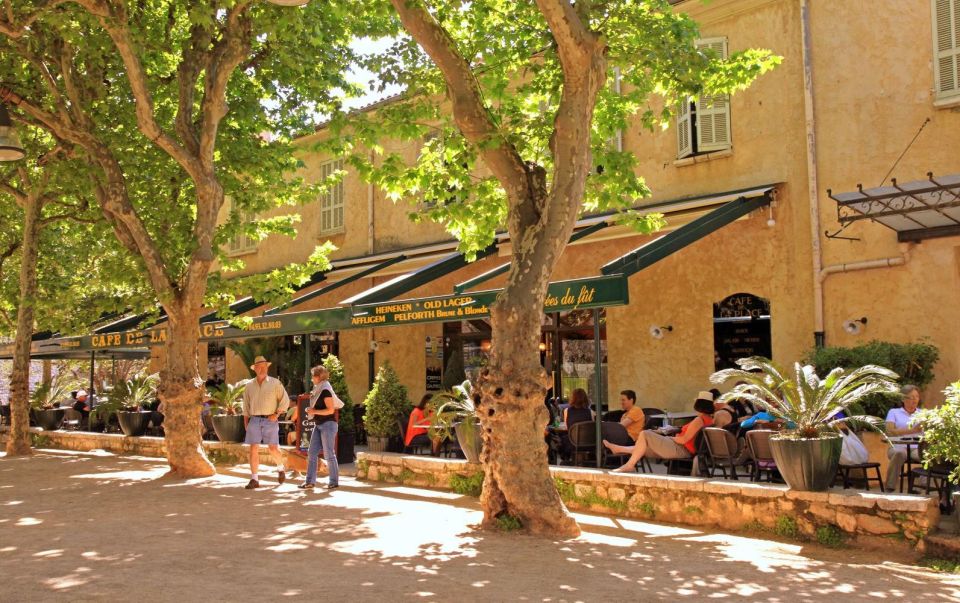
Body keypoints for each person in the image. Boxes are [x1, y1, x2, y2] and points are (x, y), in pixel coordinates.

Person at [602, 391, 715, 474]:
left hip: (681, 448)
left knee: (645, 434)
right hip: (682, 449)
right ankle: (619, 449)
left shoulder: (698, 420)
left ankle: (629, 465)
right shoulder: (709, 420)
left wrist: (670, 438)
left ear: (699, 405)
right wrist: (673, 431)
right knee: (643, 447)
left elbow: (684, 439)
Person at [242, 355, 290, 490]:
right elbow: (245, 405)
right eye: (259, 367)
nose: (262, 368)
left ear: (267, 367)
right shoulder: (249, 386)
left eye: (264, 366)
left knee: (273, 448)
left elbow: (285, 400)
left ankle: (280, 468)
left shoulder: (275, 383)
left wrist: (277, 414)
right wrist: (246, 422)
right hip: (254, 419)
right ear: (255, 369)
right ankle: (254, 479)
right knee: (253, 448)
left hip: (270, 419)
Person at [299, 365, 339, 490]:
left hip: (328, 424)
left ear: (318, 377)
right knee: (311, 453)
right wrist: (314, 412)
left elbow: (330, 410)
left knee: (329, 454)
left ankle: (333, 482)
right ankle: (310, 482)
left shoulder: (325, 390)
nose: (311, 379)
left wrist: (314, 411)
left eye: (312, 377)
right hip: (319, 424)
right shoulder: (318, 389)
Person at [884, 384, 923, 492]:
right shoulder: (894, 412)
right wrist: (913, 430)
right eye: (911, 397)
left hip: (916, 447)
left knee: (927, 456)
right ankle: (890, 486)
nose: (914, 400)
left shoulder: (923, 414)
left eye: (917, 397)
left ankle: (920, 486)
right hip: (897, 446)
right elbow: (890, 431)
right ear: (903, 398)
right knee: (899, 453)